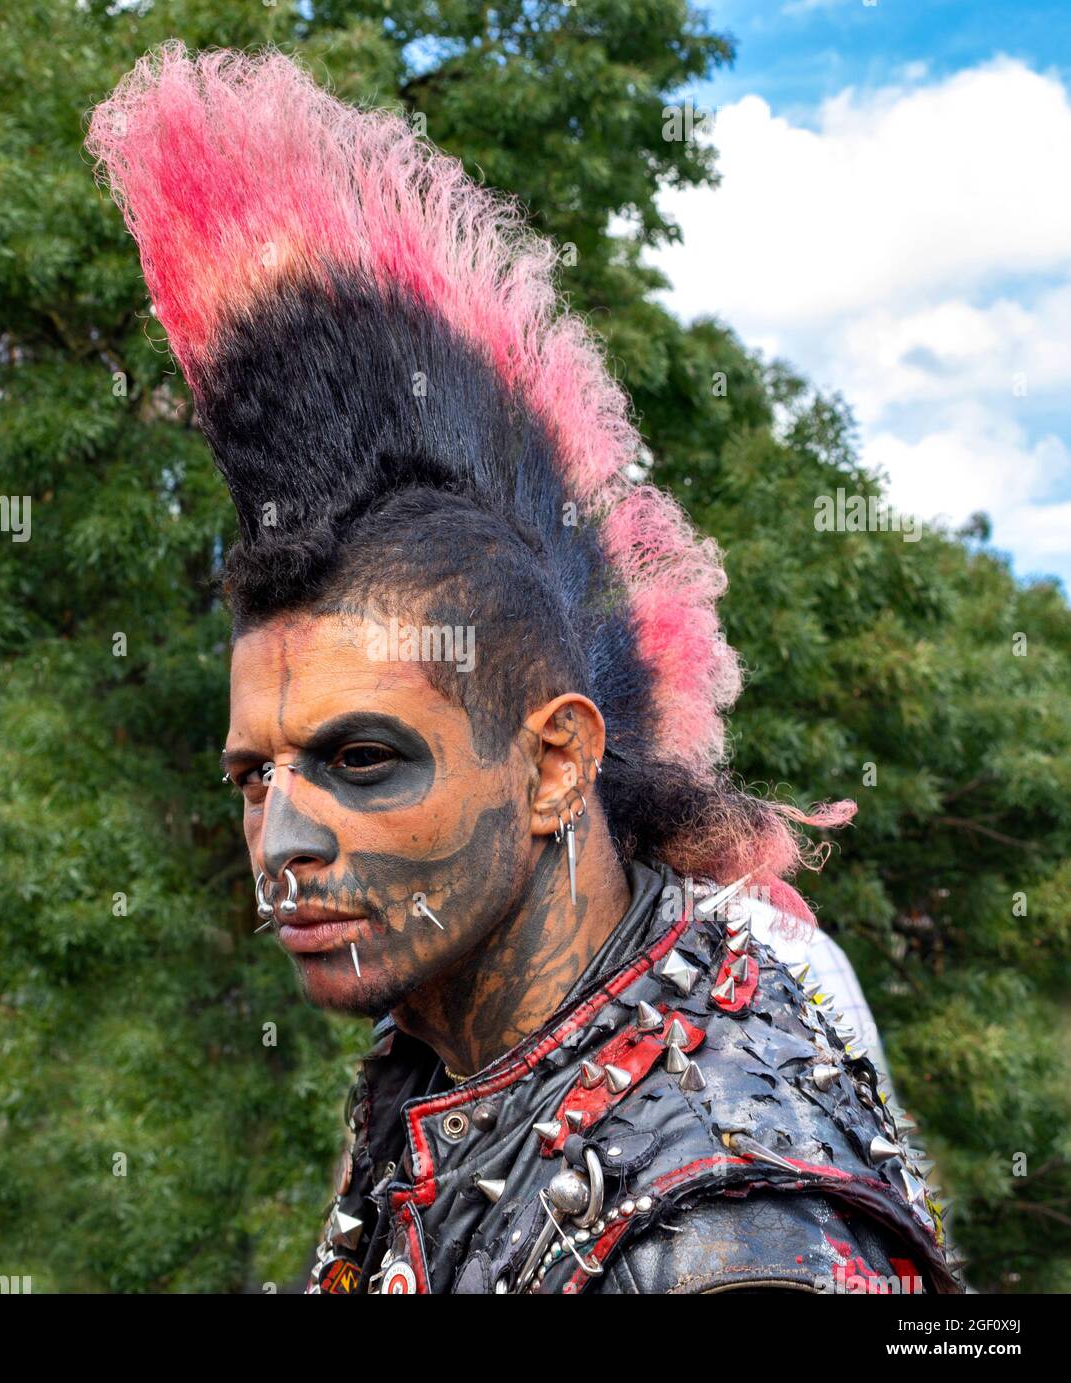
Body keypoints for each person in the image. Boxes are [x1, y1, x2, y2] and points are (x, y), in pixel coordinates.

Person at [87, 44, 957, 1295]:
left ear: (554, 764)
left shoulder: (731, 1249)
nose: (280, 840)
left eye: (362, 759)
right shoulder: (454, 1034)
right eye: (252, 776)